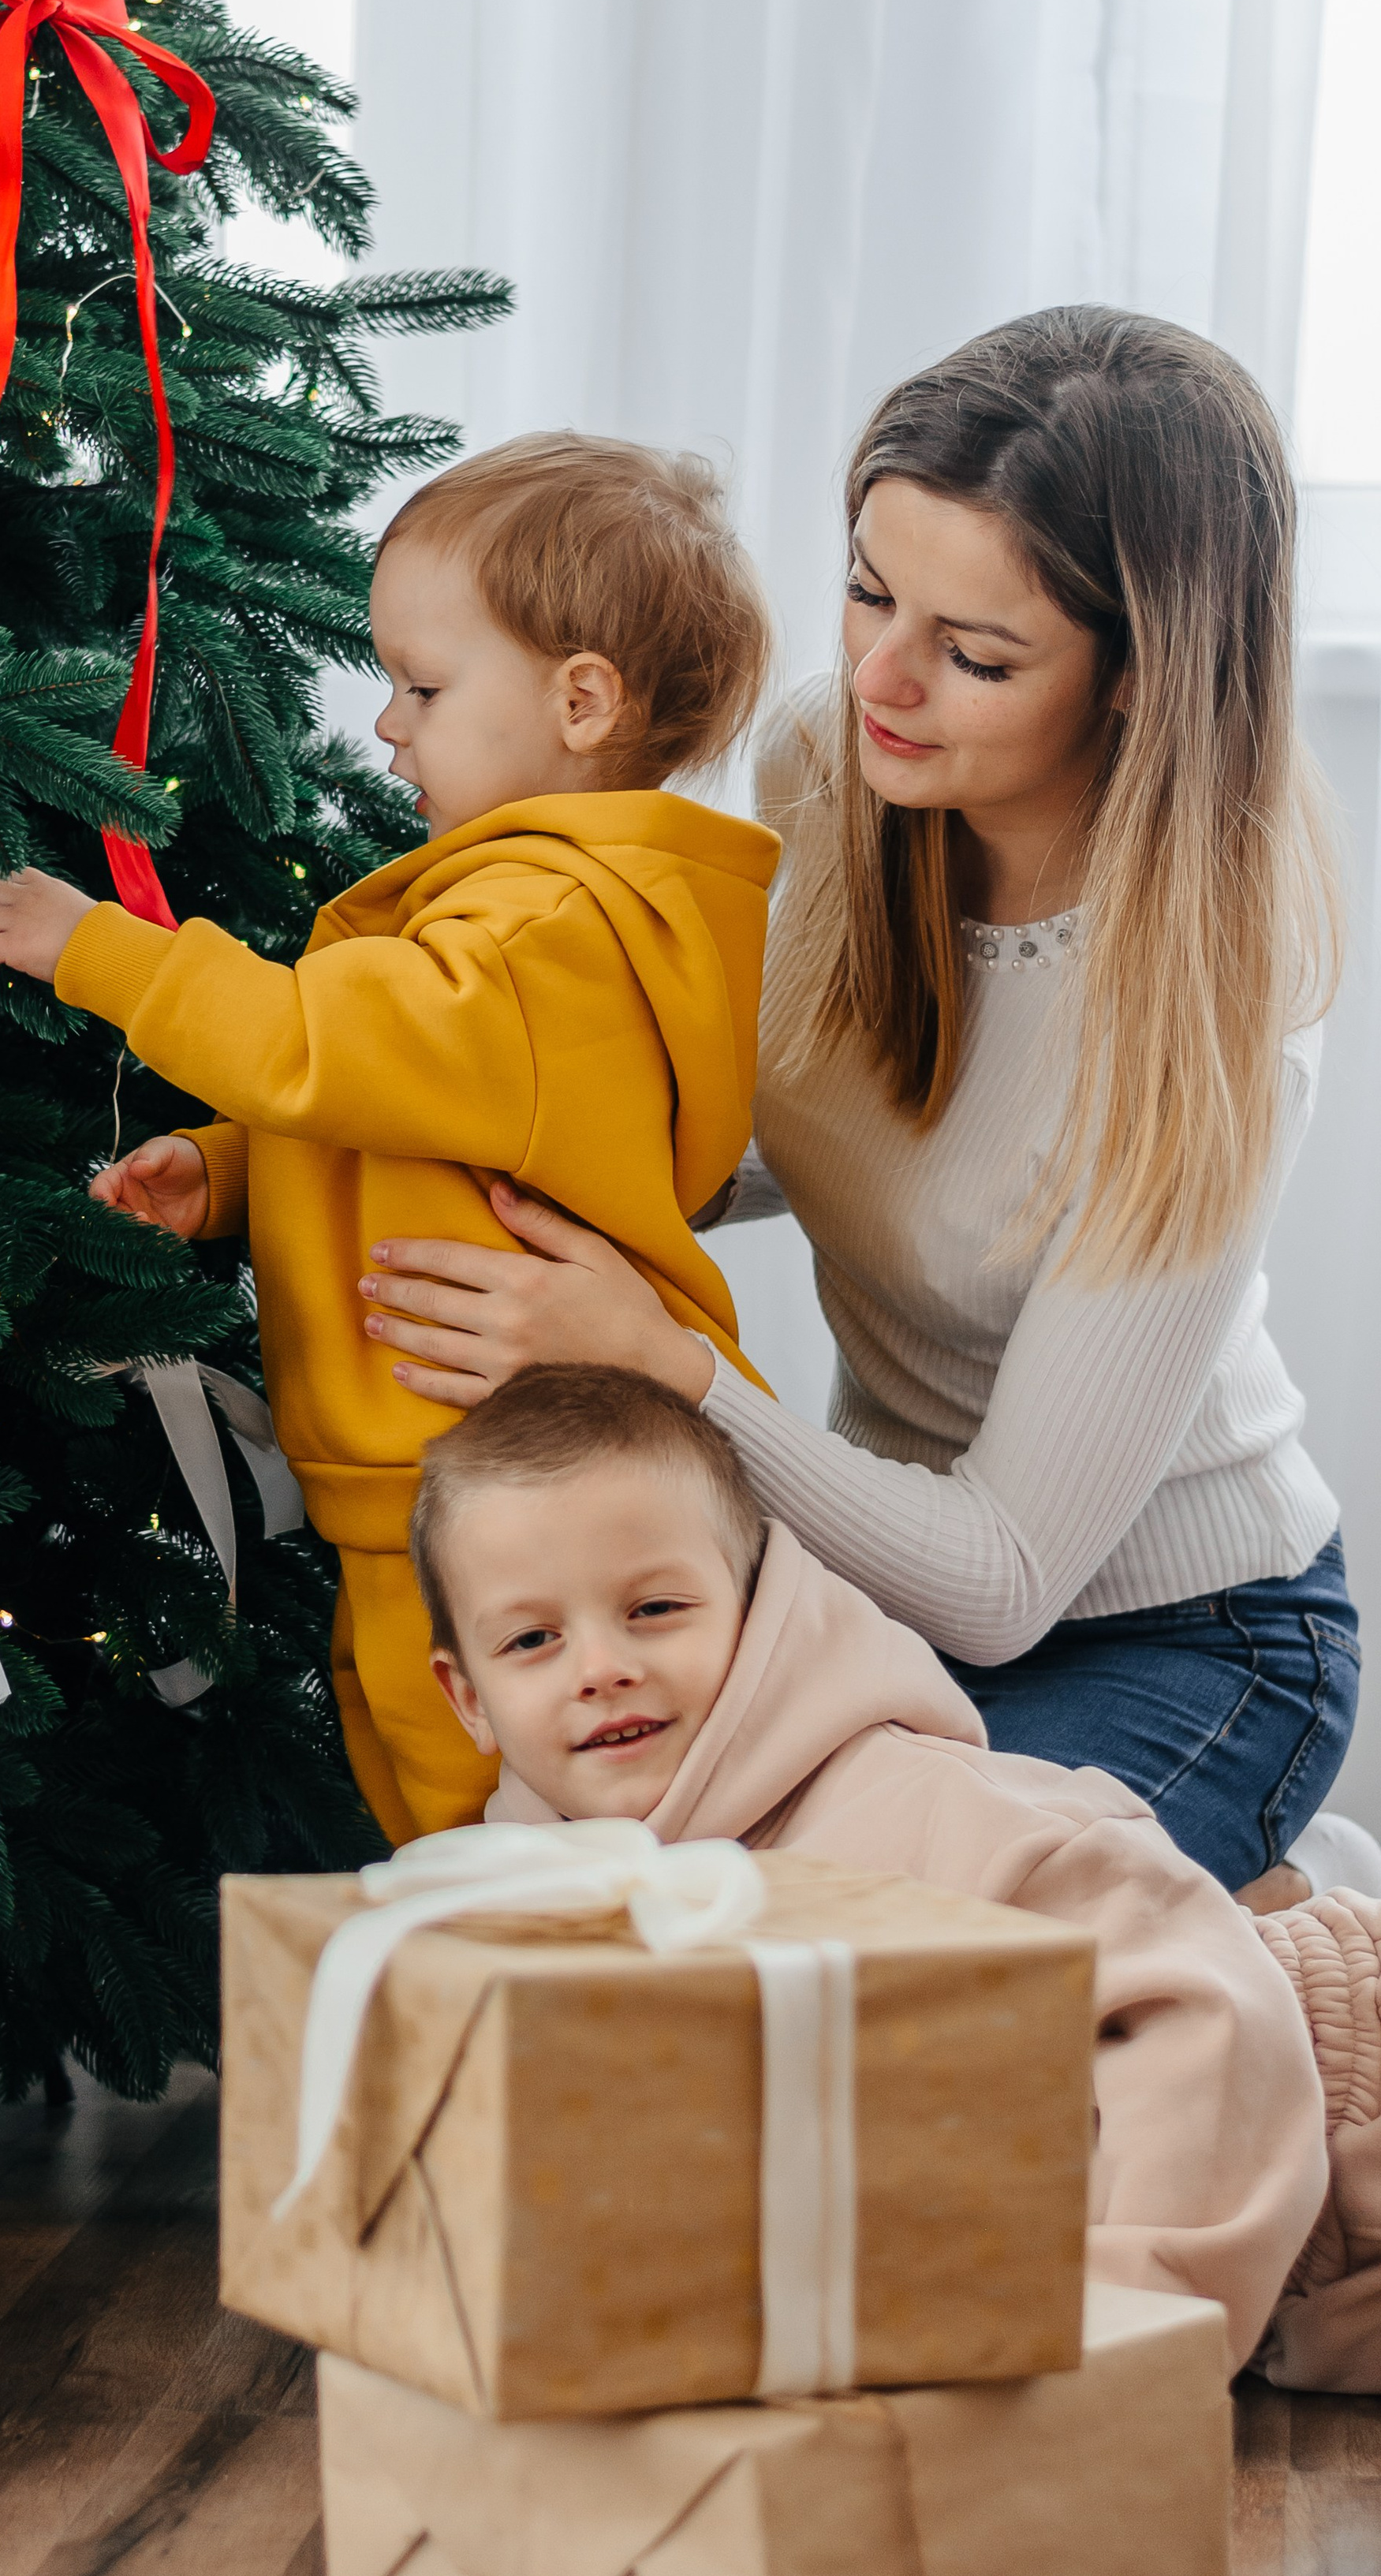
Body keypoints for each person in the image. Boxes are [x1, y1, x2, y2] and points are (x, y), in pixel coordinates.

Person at [354, 309, 1357, 1898]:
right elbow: (805, 1123)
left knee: (886, 1958)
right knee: (641, 1906)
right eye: (869, 590)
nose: (880, 677)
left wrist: (662, 1357)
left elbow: (1006, 1579)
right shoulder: (835, 770)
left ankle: (1296, 1945)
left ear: (1134, 682)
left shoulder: (1209, 1022)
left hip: (1182, 1634)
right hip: (874, 1589)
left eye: (975, 654)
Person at [0, 434, 779, 1842]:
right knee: (440, 1806)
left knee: (503, 1827)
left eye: (425, 686)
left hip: (500, 1486)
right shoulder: (518, 920)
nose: (389, 723)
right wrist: (228, 1170)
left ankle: (548, 1985)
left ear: (582, 700)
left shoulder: (538, 932)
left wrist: (101, 949)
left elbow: (322, 1042)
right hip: (439, 1476)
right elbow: (402, 1115)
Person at [416, 1360, 1381, 2387]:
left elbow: (1213, 2012)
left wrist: (1126, 2326)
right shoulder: (524, 1906)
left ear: (754, 1608)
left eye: (654, 1608)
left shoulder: (917, 1811)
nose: (601, 1667)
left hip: (1330, 2083)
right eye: (533, 1638)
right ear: (468, 1697)